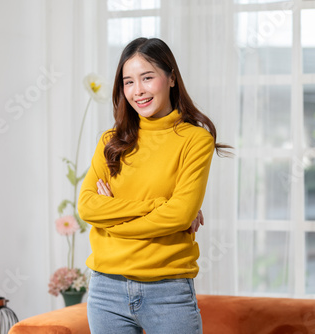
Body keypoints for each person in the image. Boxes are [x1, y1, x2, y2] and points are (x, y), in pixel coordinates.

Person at [78, 37, 231, 334]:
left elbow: (179, 215)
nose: (138, 91)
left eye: (147, 78)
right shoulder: (110, 142)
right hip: (105, 289)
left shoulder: (195, 141)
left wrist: (111, 220)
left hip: (168, 291)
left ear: (171, 77)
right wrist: (158, 205)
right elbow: (86, 206)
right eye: (128, 81)